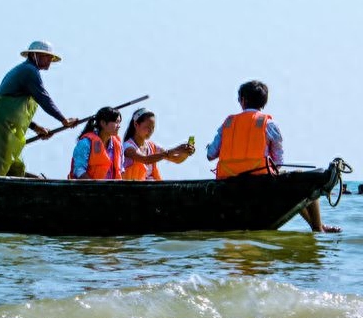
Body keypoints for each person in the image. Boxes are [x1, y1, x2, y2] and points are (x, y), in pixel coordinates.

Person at [206, 80, 341, 233]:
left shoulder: (228, 124)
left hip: (227, 181)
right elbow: (278, 161)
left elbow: (210, 155)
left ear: (242, 100)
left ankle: (318, 227)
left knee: (294, 184)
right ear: (263, 103)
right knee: (302, 180)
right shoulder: (269, 124)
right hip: (260, 181)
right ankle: (318, 227)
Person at [0, 41, 77, 176]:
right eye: (47, 56)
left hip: (7, 127)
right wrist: (63, 120)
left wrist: (36, 127)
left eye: (51, 58)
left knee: (14, 168)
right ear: (34, 55)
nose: (50, 60)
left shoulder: (26, 70)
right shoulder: (29, 71)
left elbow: (14, 112)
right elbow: (44, 99)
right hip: (0, 128)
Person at [121, 108, 195, 181]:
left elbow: (177, 159)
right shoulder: (127, 147)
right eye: (147, 127)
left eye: (153, 128)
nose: (150, 131)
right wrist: (176, 150)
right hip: (132, 191)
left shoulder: (152, 146)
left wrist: (186, 152)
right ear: (136, 125)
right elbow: (145, 159)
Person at [69, 107, 123, 179]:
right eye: (116, 122)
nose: (119, 126)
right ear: (103, 123)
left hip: (112, 189)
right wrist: (96, 189)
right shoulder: (86, 143)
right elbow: (79, 171)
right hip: (87, 189)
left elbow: (121, 169)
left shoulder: (118, 145)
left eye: (119, 122)